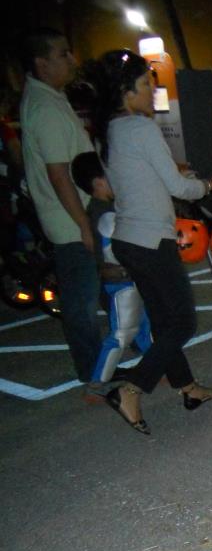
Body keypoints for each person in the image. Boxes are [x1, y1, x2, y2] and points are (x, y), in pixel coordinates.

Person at [94, 49, 212, 434]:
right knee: (183, 321)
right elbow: (176, 186)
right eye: (144, 86)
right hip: (152, 240)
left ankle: (188, 388)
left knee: (166, 321)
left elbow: (139, 178)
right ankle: (131, 389)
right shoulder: (140, 128)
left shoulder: (112, 130)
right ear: (125, 91)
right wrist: (208, 184)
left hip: (129, 238)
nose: (150, 93)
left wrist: (172, 173)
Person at [18, 27, 102, 391]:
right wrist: (83, 224)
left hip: (73, 215)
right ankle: (93, 373)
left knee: (92, 292)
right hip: (70, 219)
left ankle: (102, 365)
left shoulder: (50, 98)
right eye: (63, 54)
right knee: (82, 301)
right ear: (42, 63)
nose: (72, 60)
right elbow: (58, 174)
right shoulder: (45, 108)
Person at [70, 151, 152, 386]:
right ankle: (96, 385)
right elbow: (116, 249)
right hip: (121, 283)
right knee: (122, 333)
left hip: (126, 280)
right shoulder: (105, 213)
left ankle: (156, 368)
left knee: (143, 327)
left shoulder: (102, 209)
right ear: (98, 182)